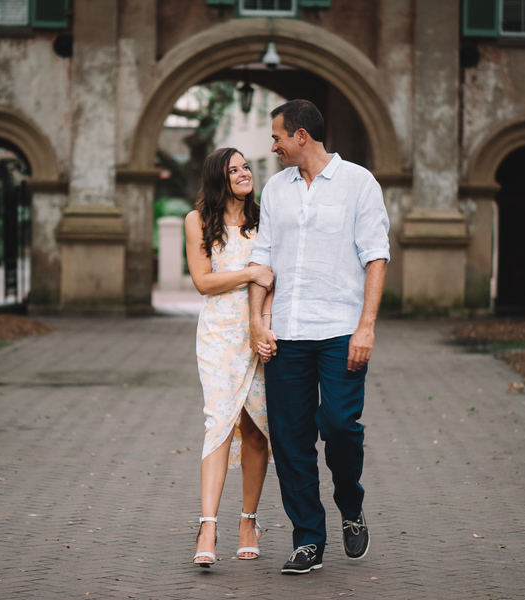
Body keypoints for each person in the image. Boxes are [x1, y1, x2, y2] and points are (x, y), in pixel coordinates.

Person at [248, 99, 390, 575]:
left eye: (278, 137)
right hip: (286, 333)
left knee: (339, 426)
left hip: (340, 332)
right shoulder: (275, 189)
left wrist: (366, 326)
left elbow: (376, 256)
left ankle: (350, 505)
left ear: (302, 136)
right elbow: (262, 263)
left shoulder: (358, 183)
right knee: (289, 440)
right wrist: (257, 322)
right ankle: (308, 538)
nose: (274, 146)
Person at [185, 147, 275, 568]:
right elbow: (203, 281)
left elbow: (275, 277)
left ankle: (248, 522)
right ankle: (207, 525)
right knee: (219, 424)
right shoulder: (198, 221)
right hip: (220, 337)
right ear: (218, 178)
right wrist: (249, 272)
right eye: (232, 169)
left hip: (259, 336)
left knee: (257, 429)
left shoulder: (265, 219)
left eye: (245, 167)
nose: (243, 174)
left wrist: (265, 325)